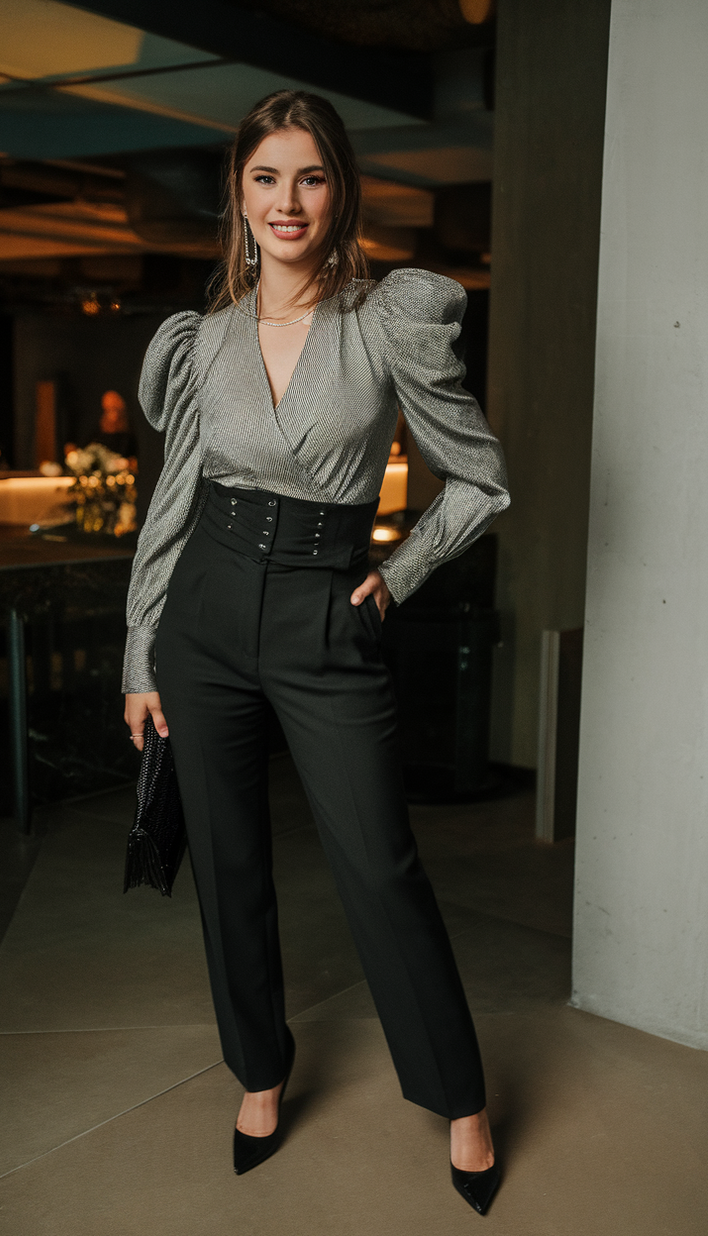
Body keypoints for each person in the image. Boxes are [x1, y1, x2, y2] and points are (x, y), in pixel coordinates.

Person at [123, 90, 509, 1214]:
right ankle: (258, 1070)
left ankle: (459, 1097)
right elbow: (171, 504)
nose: (285, 202)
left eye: (308, 177)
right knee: (228, 867)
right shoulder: (200, 340)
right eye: (263, 179)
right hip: (202, 616)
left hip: (323, 615)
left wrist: (393, 579)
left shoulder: (385, 319)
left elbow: (478, 481)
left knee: (379, 867)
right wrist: (142, 653)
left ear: (338, 192)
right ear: (237, 198)